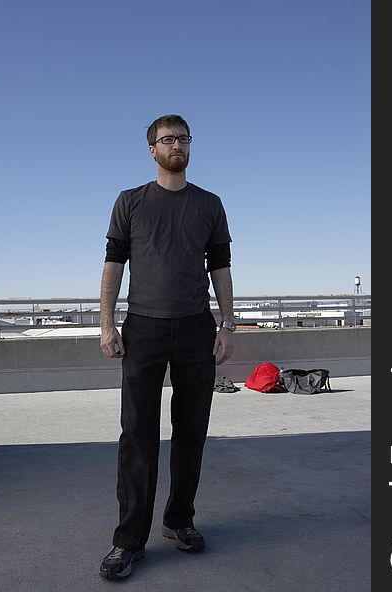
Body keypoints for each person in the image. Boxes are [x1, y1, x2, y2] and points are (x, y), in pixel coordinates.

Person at [98, 114, 236, 580]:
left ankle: (180, 521)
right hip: (144, 328)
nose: (176, 144)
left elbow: (220, 268)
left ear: (190, 146)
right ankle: (128, 540)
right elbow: (114, 263)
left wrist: (227, 324)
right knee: (136, 434)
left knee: (192, 429)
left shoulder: (210, 204)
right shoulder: (130, 201)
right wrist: (106, 323)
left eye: (183, 138)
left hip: (197, 328)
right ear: (152, 149)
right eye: (167, 139)